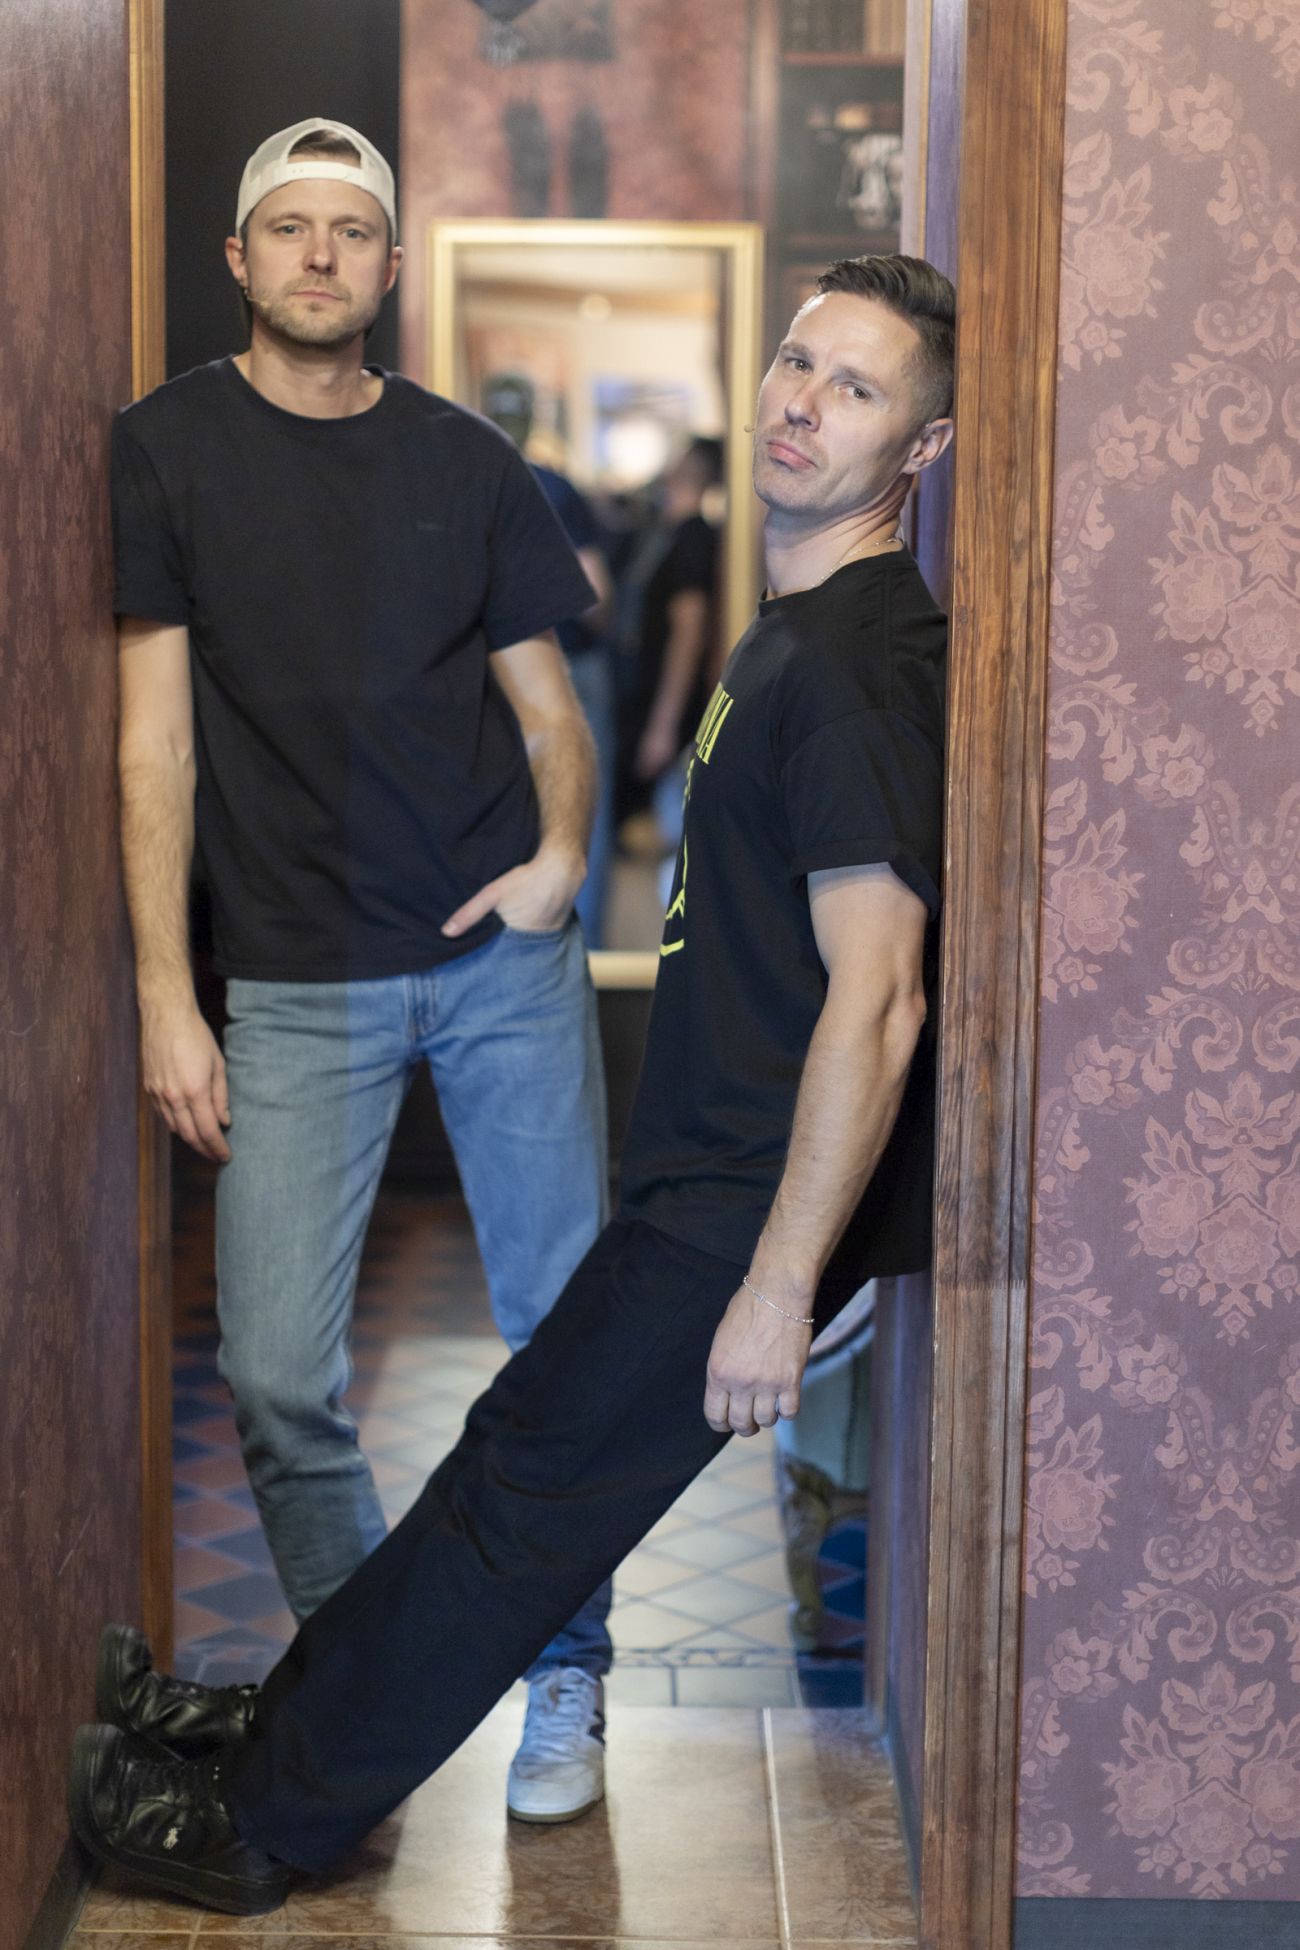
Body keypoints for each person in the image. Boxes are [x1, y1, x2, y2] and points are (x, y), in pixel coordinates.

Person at [70, 252, 957, 1916]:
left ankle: (268, 1824)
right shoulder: (802, 631)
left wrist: (780, 1285)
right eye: (797, 362)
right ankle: (277, 1738)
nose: (800, 402)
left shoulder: (857, 670)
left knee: (520, 1510)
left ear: (921, 446)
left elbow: (886, 993)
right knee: (507, 1469)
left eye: (855, 388)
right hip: (711, 1182)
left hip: (748, 1211)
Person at [108, 118, 616, 1825]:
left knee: (563, 1344)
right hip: (294, 973)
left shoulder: (468, 462)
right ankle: (376, 1694)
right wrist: (167, 994)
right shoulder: (165, 451)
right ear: (239, 258)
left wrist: (558, 866)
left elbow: (551, 713)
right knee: (271, 1374)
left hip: (494, 959)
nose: (320, 255)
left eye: (350, 230)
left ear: (391, 267)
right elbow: (154, 744)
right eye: (289, 227)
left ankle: (567, 1675)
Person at [480, 371, 618, 945]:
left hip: (493, 670)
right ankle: (583, 944)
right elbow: (595, 596)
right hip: (571, 661)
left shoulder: (470, 480)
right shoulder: (556, 487)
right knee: (583, 807)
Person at [615, 434, 723, 819]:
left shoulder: (693, 538)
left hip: (664, 705)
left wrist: (663, 725)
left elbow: (688, 633)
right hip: (642, 696)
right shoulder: (665, 532)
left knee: (657, 818)